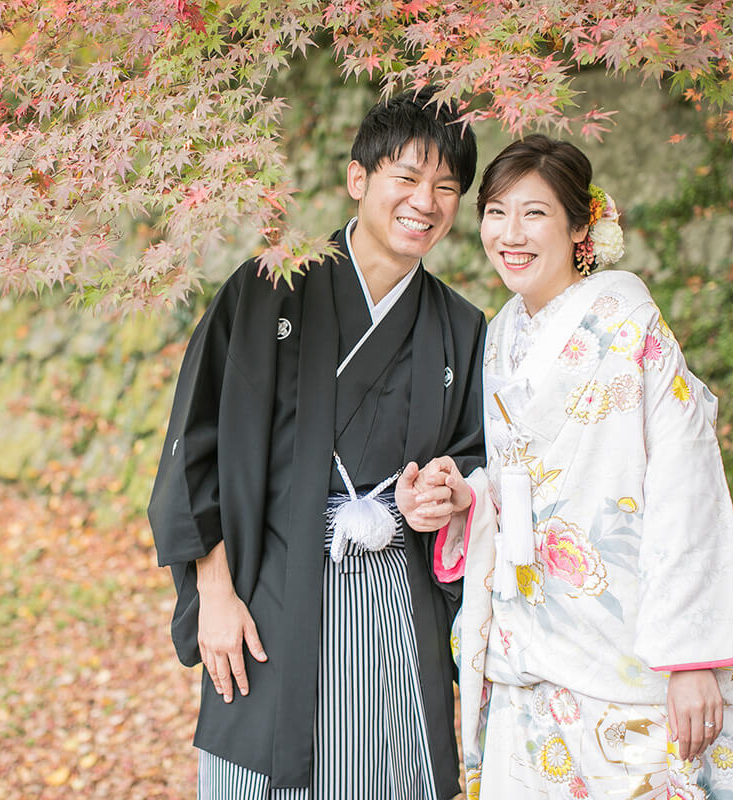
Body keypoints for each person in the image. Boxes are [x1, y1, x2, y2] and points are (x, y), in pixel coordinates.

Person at [398, 134, 733, 799]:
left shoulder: (629, 325)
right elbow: (529, 481)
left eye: (535, 213)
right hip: (529, 644)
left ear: (581, 227)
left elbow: (687, 486)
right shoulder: (501, 337)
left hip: (630, 645)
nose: (510, 234)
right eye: (496, 211)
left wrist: (692, 660)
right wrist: (468, 497)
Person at [148, 88, 487, 799]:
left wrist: (449, 495)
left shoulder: (461, 326)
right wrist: (214, 594)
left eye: (447, 186)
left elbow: (476, 459)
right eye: (407, 177)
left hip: (398, 606)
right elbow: (195, 447)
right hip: (271, 594)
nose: (426, 201)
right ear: (358, 179)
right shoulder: (269, 289)